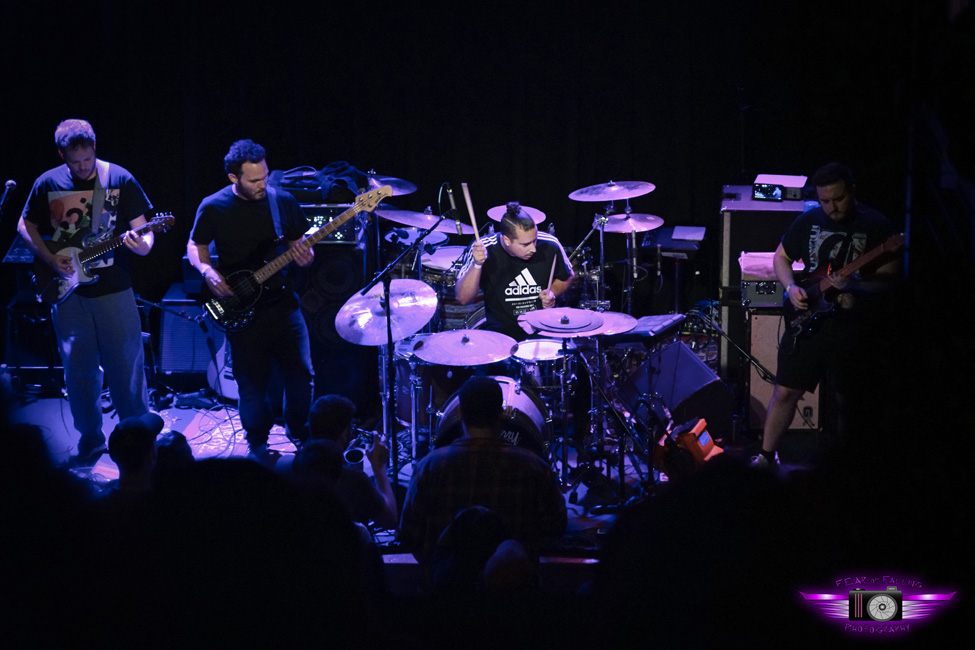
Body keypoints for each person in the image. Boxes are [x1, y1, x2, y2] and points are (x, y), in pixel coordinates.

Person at [17, 119, 154, 464]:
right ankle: (90, 441)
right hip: (69, 294)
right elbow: (24, 224)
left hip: (114, 290)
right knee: (79, 372)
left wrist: (140, 245)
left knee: (127, 369)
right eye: (75, 162)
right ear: (61, 154)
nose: (82, 168)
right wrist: (48, 258)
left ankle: (136, 441)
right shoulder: (47, 182)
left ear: (95, 148)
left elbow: (146, 237)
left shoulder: (119, 178)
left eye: (88, 160)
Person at [753, 163, 900, 469]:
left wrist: (855, 287)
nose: (832, 208)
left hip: (852, 327)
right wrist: (791, 287)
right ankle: (766, 457)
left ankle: (851, 467)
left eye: (839, 199)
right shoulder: (808, 220)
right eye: (825, 201)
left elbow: (891, 280)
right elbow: (781, 257)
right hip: (808, 322)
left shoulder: (876, 225)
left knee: (850, 399)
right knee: (784, 392)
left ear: (852, 192)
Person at [187, 139, 315, 465]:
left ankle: (299, 430)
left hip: (284, 303)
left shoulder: (282, 202)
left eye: (266, 177)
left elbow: (302, 247)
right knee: (251, 385)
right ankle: (257, 441)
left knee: (301, 375)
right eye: (255, 180)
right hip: (240, 306)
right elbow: (195, 244)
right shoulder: (213, 206)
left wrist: (306, 256)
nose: (263, 185)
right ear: (234, 178)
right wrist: (206, 270)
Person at [398, 376, 567, 566]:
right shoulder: (533, 466)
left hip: (445, 588)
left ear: (460, 412)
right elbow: (556, 528)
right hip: (512, 589)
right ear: (500, 413)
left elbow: (409, 534)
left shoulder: (429, 466)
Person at [455, 202, 574, 341]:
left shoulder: (550, 244)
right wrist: (477, 265)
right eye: (525, 244)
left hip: (544, 330)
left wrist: (553, 292)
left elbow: (568, 276)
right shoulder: (484, 247)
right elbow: (463, 298)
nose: (533, 249)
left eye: (534, 241)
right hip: (500, 334)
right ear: (506, 240)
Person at [281, 394, 399, 530]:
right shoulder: (354, 481)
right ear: (345, 433)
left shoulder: (286, 469)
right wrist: (379, 468)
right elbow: (391, 519)